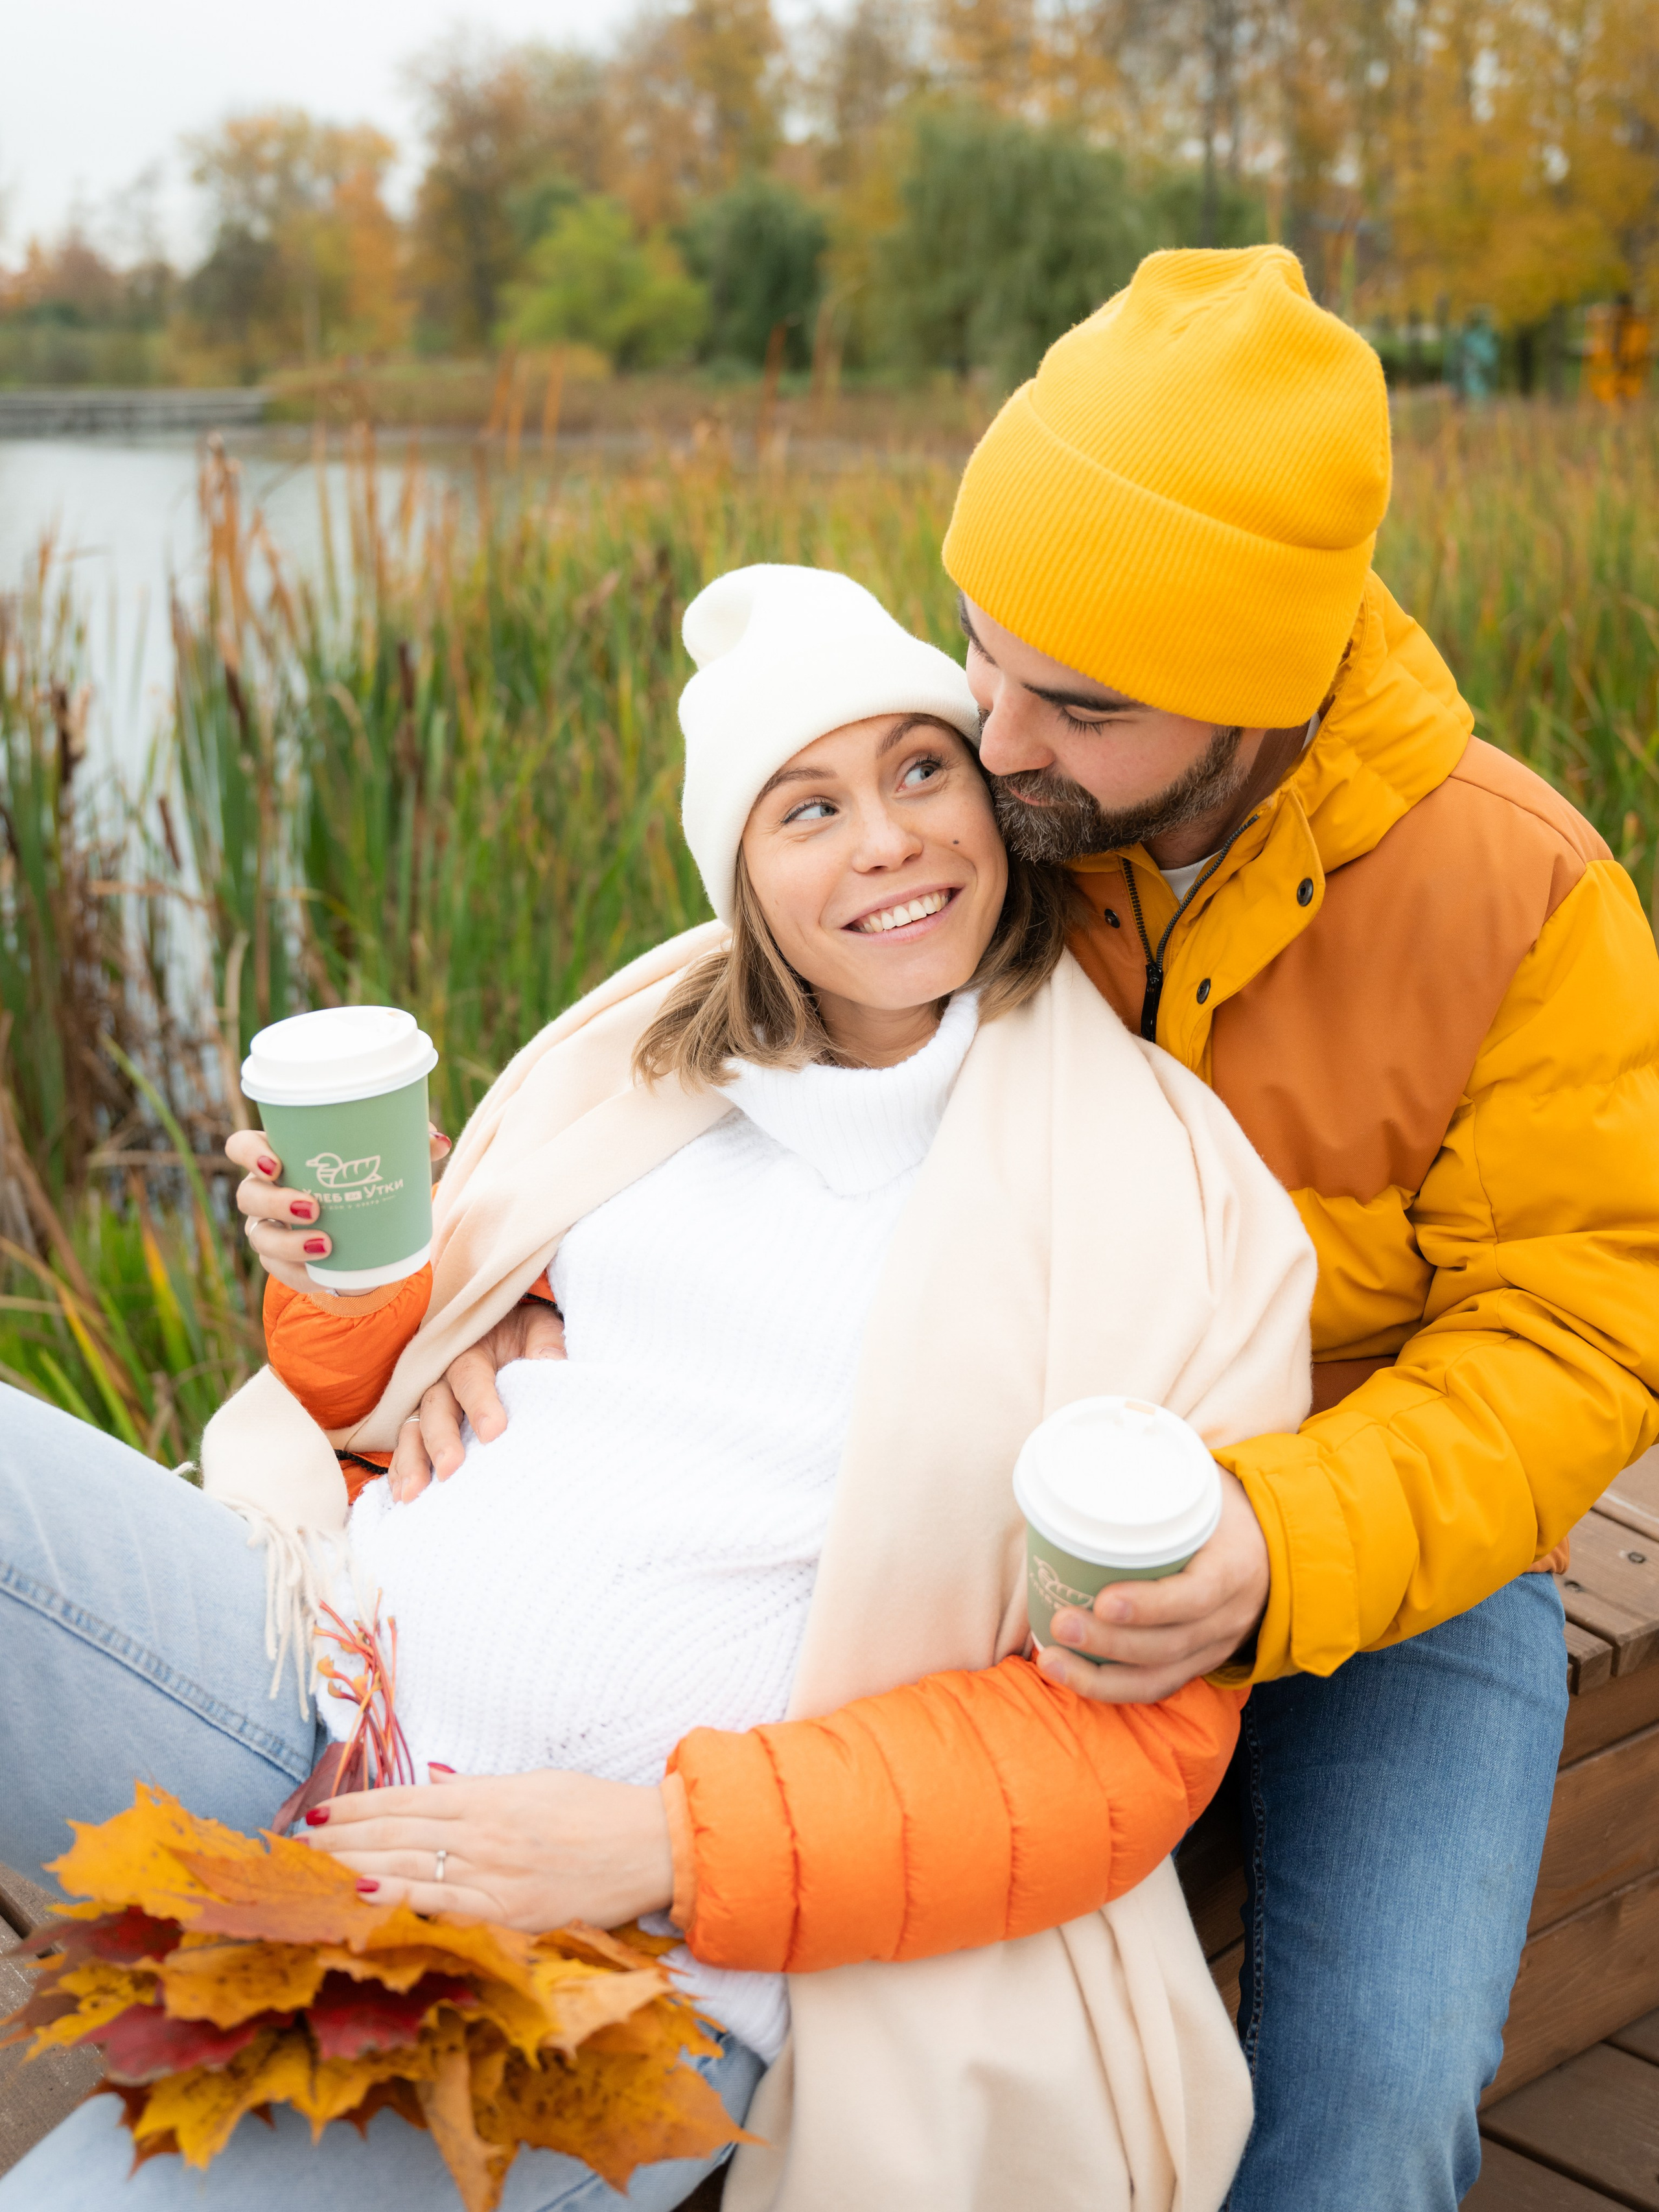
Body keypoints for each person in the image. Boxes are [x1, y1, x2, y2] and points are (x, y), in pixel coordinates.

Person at [391, 248, 1659, 2211]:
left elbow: (1579, 1335)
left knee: (1387, 2096)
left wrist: (1280, 1541)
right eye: (980, 655)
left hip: (1380, 1538)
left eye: (1067, 699)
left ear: (1257, 691)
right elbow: (772, 1036)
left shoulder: (1528, 899)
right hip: (985, 1499)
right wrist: (527, 1278)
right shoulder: (1011, 818)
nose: (988, 737)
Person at [1, 565, 1317, 2211]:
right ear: (741, 878)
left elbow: (1124, 1739)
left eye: (921, 770)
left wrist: (666, 1851)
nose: (888, 839)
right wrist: (363, 1284)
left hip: (612, 1945)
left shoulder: (1161, 1189)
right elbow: (363, 1401)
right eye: (806, 807)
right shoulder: (649, 1060)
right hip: (317, 1701)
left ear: (992, 799)